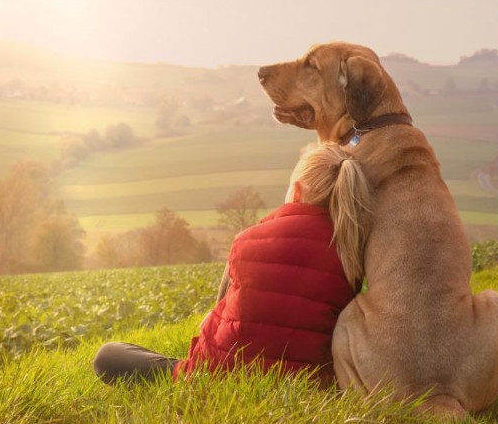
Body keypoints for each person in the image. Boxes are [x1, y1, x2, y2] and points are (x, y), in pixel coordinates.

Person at [93, 143, 371, 386]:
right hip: (307, 386)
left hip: (213, 378)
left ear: (297, 191)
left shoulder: (248, 239)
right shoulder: (354, 253)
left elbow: (218, 322)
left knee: (109, 355)